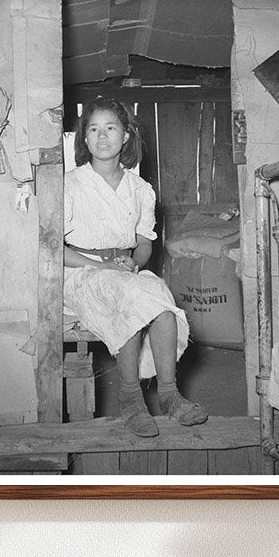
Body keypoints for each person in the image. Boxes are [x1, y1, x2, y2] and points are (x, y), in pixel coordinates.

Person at [63, 96, 208, 437]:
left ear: (125, 136)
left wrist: (134, 261)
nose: (102, 137)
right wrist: (101, 268)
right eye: (94, 129)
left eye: (110, 128)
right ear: (84, 139)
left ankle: (169, 395)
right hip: (79, 273)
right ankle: (130, 397)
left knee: (158, 294)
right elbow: (56, 250)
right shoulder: (70, 184)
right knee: (134, 293)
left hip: (123, 270)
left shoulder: (140, 190)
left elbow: (144, 244)